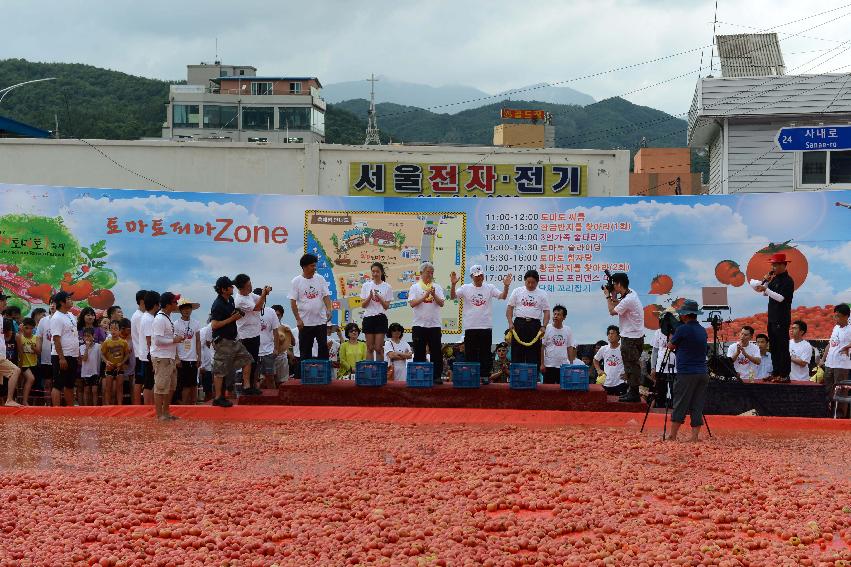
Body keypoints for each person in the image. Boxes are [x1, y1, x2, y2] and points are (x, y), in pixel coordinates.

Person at [451, 265, 511, 384]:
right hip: (471, 327)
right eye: (477, 275)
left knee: (485, 353)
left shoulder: (489, 287)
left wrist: (506, 286)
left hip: (485, 326)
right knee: (470, 353)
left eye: (481, 275)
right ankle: (471, 376)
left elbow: (503, 296)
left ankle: (484, 376)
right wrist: (453, 285)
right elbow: (453, 297)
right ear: (472, 276)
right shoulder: (465, 288)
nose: (479, 277)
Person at [666, 299, 710, 442]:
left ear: (685, 315)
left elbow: (671, 346)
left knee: (680, 403)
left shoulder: (682, 329)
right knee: (697, 404)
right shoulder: (702, 330)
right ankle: (694, 437)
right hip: (702, 372)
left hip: (686, 372)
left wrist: (671, 339)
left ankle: (673, 435)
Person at [210, 277, 254, 408]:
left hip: (232, 340)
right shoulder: (217, 304)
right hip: (222, 341)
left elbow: (231, 314)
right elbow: (214, 325)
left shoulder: (230, 300)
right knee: (220, 370)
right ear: (223, 289)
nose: (233, 288)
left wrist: (236, 313)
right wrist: (232, 318)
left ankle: (246, 387)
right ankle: (218, 397)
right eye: (230, 286)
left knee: (248, 360)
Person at [752, 252, 794, 381]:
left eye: (775, 265)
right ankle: (776, 373)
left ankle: (784, 374)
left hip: (781, 318)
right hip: (772, 318)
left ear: (783, 265)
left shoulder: (788, 281)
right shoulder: (775, 278)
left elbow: (781, 298)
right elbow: (765, 293)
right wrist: (765, 282)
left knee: (782, 347)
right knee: (774, 347)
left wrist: (766, 289)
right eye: (772, 265)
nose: (773, 267)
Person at [604, 272, 644, 402]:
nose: (613, 286)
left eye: (614, 284)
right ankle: (632, 392)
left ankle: (634, 394)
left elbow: (612, 311)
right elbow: (618, 304)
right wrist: (613, 294)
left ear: (619, 284)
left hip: (631, 338)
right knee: (630, 365)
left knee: (631, 366)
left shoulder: (628, 299)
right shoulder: (631, 292)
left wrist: (607, 296)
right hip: (634, 336)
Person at [289, 254, 333, 362]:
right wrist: (298, 319)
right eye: (312, 266)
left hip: (320, 321)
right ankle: (306, 376)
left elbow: (326, 296)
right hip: (305, 323)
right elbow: (293, 302)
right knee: (305, 350)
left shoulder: (320, 278)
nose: (315, 268)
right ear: (304, 267)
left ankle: (323, 375)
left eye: (315, 266)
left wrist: (329, 310)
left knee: (323, 348)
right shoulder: (296, 281)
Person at [233, 274, 272, 396]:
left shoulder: (248, 294)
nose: (251, 287)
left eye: (251, 284)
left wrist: (264, 293)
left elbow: (258, 299)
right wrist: (264, 294)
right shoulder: (240, 300)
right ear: (241, 288)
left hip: (254, 332)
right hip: (246, 335)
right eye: (248, 285)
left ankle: (251, 385)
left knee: (254, 361)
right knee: (248, 361)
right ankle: (246, 386)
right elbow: (257, 307)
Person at [408, 262, 446, 383]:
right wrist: (425, 296)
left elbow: (441, 303)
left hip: (434, 325)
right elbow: (412, 303)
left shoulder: (437, 287)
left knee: (436, 351)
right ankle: (420, 376)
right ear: (421, 273)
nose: (430, 274)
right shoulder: (415, 287)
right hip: (419, 325)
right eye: (428, 272)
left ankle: (436, 376)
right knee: (419, 352)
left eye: (432, 272)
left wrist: (433, 294)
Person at [506, 269, 550, 369]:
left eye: (533, 283)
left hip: (534, 325)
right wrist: (510, 322)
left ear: (537, 282)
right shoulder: (517, 291)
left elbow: (546, 311)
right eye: (528, 282)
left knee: (533, 353)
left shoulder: (542, 293)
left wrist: (544, 326)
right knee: (517, 352)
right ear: (524, 281)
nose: (530, 285)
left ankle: (532, 378)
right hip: (519, 324)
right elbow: (509, 308)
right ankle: (517, 378)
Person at [150, 292, 183, 420]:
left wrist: (175, 339)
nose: (177, 304)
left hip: (169, 356)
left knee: (170, 386)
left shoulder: (166, 317)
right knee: (161, 386)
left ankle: (166, 413)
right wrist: (174, 340)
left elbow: (165, 338)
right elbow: (158, 340)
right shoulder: (160, 319)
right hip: (161, 357)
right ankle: (159, 415)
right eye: (175, 302)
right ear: (169, 304)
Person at [819, 303, 851, 415]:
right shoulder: (836, 327)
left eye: (838, 316)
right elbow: (830, 344)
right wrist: (823, 359)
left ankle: (840, 417)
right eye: (834, 315)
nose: (835, 318)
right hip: (829, 364)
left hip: (842, 365)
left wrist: (849, 346)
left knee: (841, 392)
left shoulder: (850, 329)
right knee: (829, 391)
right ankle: (829, 416)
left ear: (846, 316)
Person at [50, 291, 78, 407]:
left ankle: (70, 409)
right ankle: (56, 410)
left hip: (72, 355)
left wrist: (78, 354)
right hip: (61, 356)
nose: (71, 300)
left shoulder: (70, 315)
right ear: (62, 302)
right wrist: (61, 358)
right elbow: (56, 339)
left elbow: (72, 334)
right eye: (68, 298)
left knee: (70, 384)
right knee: (58, 384)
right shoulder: (57, 317)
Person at [360, 262, 393, 362]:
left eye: (377, 272)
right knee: (369, 348)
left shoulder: (387, 287)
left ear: (381, 272)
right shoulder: (366, 285)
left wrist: (379, 297)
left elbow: (386, 306)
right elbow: (363, 305)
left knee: (378, 348)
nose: (375, 274)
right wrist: (370, 297)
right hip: (368, 318)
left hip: (380, 318)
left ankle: (379, 372)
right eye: (373, 271)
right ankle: (369, 371)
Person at [175, 298, 202, 404]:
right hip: (182, 358)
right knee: (184, 384)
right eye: (184, 309)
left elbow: (198, 341)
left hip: (193, 358)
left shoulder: (196, 323)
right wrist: (177, 358)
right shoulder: (176, 324)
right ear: (180, 310)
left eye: (189, 308)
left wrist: (199, 356)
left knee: (193, 384)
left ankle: (193, 404)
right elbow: (175, 342)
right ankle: (184, 405)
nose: (187, 311)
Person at [540, 305, 577, 384]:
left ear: (564, 317)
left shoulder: (568, 330)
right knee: (548, 391)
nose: (555, 316)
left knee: (563, 391)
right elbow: (542, 347)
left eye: (558, 314)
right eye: (555, 314)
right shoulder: (547, 328)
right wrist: (542, 364)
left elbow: (570, 347)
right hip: (549, 365)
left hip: (563, 366)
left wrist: (571, 364)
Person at [253, 288, 281, 389]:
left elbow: (276, 331)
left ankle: (273, 400)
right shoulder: (250, 311)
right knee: (253, 377)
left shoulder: (271, 311)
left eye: (262, 297)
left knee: (270, 377)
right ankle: (254, 401)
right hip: (253, 351)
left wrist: (276, 348)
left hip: (268, 351)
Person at [139, 291, 160, 405]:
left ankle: (151, 406)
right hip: (149, 355)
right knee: (149, 383)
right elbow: (149, 340)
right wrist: (153, 356)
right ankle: (148, 407)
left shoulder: (149, 317)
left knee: (150, 382)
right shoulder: (148, 318)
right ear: (156, 305)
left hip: (150, 354)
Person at [593, 325, 628, 396]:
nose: (610, 335)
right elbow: (595, 360)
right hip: (606, 383)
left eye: (612, 333)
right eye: (609, 334)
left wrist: (628, 374)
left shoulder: (624, 349)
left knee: (620, 404)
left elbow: (633, 362)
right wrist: (598, 370)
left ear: (618, 336)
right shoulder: (604, 348)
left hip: (620, 382)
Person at [101, 320, 129, 405]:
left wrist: (122, 363)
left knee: (119, 387)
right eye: (111, 329)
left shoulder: (124, 342)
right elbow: (102, 354)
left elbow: (127, 354)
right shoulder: (106, 342)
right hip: (109, 368)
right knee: (108, 387)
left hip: (119, 368)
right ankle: (108, 405)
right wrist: (107, 362)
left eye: (116, 329)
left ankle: (120, 405)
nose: (113, 331)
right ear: (109, 330)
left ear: (120, 330)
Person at [15, 317, 38, 406]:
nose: (29, 330)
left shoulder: (36, 337)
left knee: (24, 382)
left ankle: (21, 400)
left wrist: (34, 348)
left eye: (31, 328)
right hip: (22, 363)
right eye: (26, 328)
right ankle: (24, 401)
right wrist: (19, 365)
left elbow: (39, 351)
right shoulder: (18, 336)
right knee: (30, 379)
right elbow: (20, 351)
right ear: (22, 327)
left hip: (32, 363)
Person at [130, 290, 147, 405]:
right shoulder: (139, 316)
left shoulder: (142, 315)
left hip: (142, 353)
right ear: (142, 301)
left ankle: (139, 405)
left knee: (142, 380)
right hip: (141, 353)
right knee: (141, 381)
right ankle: (138, 405)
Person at [1, 315, 22, 407]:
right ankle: (9, 400)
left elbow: (21, 353)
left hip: (5, 358)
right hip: (2, 359)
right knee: (15, 370)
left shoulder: (15, 336)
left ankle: (9, 400)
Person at [36, 303, 54, 400]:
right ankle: (47, 405)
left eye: (56, 303)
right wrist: (38, 349)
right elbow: (39, 337)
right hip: (46, 358)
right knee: (47, 383)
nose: (53, 305)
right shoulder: (43, 320)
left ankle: (59, 407)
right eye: (52, 303)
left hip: (60, 357)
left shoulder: (66, 318)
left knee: (59, 384)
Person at [79, 328, 101, 406]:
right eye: (85, 336)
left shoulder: (98, 346)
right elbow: (84, 359)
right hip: (85, 373)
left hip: (95, 372)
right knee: (86, 390)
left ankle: (95, 407)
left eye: (88, 336)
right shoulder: (82, 347)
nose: (87, 338)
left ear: (93, 336)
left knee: (94, 391)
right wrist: (87, 348)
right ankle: (86, 408)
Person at [118, 318, 134, 405]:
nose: (130, 331)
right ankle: (119, 406)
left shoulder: (133, 337)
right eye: (129, 329)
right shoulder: (114, 337)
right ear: (122, 329)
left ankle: (135, 405)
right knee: (119, 385)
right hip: (119, 366)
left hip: (131, 365)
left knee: (133, 385)